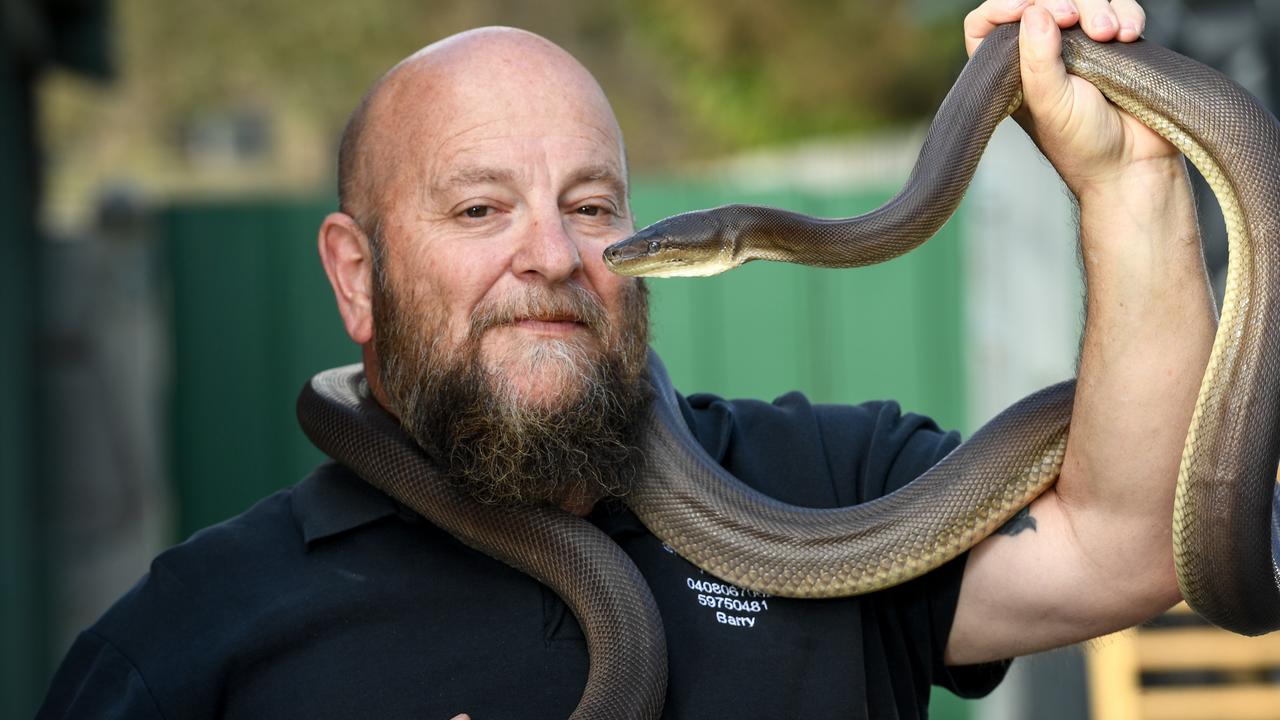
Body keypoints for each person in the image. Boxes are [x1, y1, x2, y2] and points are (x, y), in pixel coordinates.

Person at [38, 0, 1216, 717]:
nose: (551, 254)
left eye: (593, 206)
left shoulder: (831, 484)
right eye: (476, 211)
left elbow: (1136, 541)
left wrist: (1130, 177)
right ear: (355, 273)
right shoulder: (191, 638)